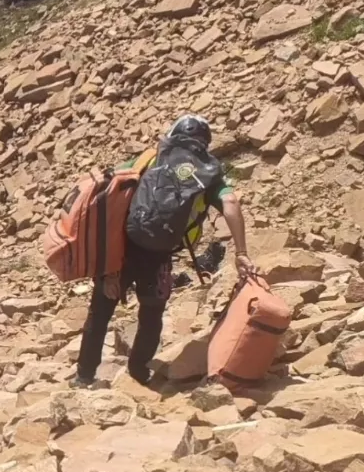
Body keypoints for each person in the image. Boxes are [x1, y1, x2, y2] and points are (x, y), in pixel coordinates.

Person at [74, 115, 257, 389]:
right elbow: (230, 201)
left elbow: (109, 199)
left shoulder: (149, 159)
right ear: (204, 144)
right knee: (151, 316)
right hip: (160, 254)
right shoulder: (208, 171)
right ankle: (138, 375)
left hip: (121, 248)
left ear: (172, 133)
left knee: (100, 312)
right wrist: (241, 251)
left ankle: (84, 376)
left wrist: (107, 266)